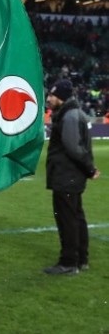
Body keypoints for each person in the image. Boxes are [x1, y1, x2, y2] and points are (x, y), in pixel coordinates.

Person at [43, 79, 100, 276]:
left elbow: (73, 147)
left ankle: (68, 262)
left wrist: (90, 168)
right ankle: (81, 259)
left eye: (52, 95)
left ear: (62, 97)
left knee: (67, 219)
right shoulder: (72, 113)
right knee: (76, 217)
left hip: (66, 176)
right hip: (71, 176)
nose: (49, 98)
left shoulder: (69, 116)